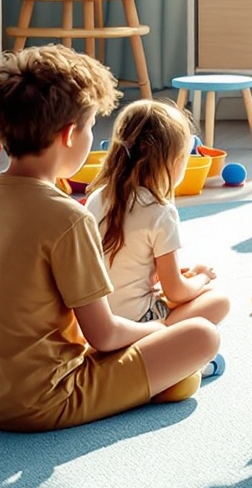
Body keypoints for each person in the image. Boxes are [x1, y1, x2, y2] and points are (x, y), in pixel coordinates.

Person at [0, 44, 220, 431]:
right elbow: (104, 336)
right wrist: (157, 330)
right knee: (201, 336)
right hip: (40, 401)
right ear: (70, 134)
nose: (93, 135)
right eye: (92, 126)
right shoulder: (67, 217)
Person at [86, 99, 233, 338]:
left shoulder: (97, 197)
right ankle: (173, 353)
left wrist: (155, 272)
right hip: (138, 322)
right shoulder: (160, 212)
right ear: (173, 162)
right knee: (218, 300)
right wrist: (202, 277)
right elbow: (175, 291)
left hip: (95, 320)